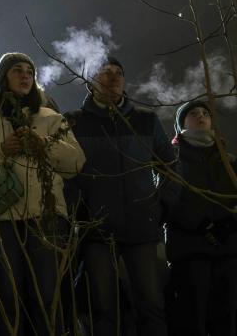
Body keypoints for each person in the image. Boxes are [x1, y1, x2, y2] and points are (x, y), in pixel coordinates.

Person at [0, 52, 85, 336]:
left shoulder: (51, 119)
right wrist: (1, 151)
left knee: (46, 298)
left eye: (29, 71)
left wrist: (44, 145)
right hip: (0, 219)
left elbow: (76, 163)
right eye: (17, 70)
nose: (25, 75)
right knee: (5, 299)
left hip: (47, 218)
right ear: (3, 79)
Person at [64, 57, 178, 336]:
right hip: (96, 231)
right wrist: (77, 211)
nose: (113, 78)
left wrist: (161, 206)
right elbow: (66, 174)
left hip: (141, 228)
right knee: (102, 310)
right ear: (91, 83)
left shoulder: (145, 120)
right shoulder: (75, 122)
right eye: (105, 73)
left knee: (151, 306)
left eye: (118, 73)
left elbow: (171, 167)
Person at [165, 101, 237, 336]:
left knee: (226, 319)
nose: (201, 116)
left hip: (227, 250)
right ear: (181, 124)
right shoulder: (172, 159)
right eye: (193, 113)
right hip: (190, 251)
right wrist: (201, 223)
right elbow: (169, 199)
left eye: (205, 113)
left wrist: (229, 223)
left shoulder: (229, 160)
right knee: (191, 319)